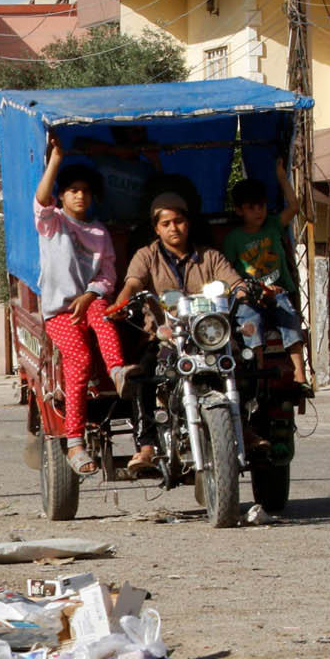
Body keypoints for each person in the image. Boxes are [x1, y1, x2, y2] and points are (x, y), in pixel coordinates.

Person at [113, 191, 243, 475]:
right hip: (164, 338)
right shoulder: (146, 256)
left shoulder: (210, 257)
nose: (174, 228)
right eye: (166, 223)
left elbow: (233, 280)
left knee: (244, 364)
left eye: (179, 221)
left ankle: (251, 431)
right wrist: (122, 300)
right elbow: (133, 282)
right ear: (157, 228)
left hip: (209, 337)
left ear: (189, 223)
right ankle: (146, 445)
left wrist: (243, 289)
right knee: (144, 375)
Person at [36, 132, 135, 476]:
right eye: (73, 191)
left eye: (85, 191)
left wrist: (91, 294)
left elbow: (108, 276)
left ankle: (119, 373)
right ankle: (75, 441)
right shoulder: (53, 224)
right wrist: (56, 160)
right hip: (60, 313)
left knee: (105, 317)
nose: (80, 196)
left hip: (89, 302)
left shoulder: (99, 233)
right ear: (62, 196)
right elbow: (41, 197)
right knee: (77, 361)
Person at [222, 159, 309, 388]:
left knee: (290, 319)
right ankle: (258, 373)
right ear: (239, 210)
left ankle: (300, 374)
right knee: (251, 323)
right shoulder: (234, 239)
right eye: (251, 207)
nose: (258, 211)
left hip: (278, 293)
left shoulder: (272, 225)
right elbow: (227, 271)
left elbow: (294, 207)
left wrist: (282, 177)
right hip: (250, 296)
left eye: (260, 205)